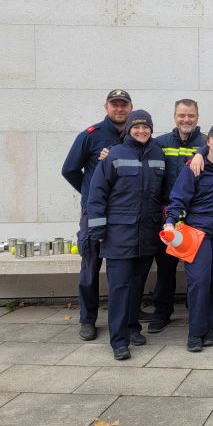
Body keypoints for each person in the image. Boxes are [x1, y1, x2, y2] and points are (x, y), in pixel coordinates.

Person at [86, 110, 165, 360]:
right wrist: (97, 230)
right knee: (120, 288)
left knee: (137, 285)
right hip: (119, 233)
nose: (141, 131)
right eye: (136, 127)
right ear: (129, 129)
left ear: (151, 129)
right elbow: (96, 195)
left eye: (146, 127)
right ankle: (119, 341)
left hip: (147, 233)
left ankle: (132, 328)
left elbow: (163, 193)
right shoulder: (114, 155)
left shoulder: (158, 154)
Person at [62, 88, 132, 341]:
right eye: (115, 104)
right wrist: (90, 193)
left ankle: (128, 315)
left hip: (123, 213)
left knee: (124, 267)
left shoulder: (136, 134)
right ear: (106, 107)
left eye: (123, 105)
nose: (119, 109)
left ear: (130, 107)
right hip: (95, 212)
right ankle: (88, 319)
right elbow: (70, 170)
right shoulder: (90, 135)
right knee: (91, 266)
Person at [165, 124, 213, 352]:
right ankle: (195, 332)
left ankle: (209, 326)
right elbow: (178, 197)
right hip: (197, 226)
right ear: (208, 141)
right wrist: (170, 221)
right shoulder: (194, 166)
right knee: (199, 279)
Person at [149, 99, 206, 333]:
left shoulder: (206, 143)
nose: (186, 119)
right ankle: (162, 313)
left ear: (197, 117)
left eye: (191, 115)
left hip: (196, 217)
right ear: (175, 116)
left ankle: (198, 312)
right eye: (182, 115)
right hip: (168, 216)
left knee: (197, 269)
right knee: (166, 268)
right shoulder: (160, 143)